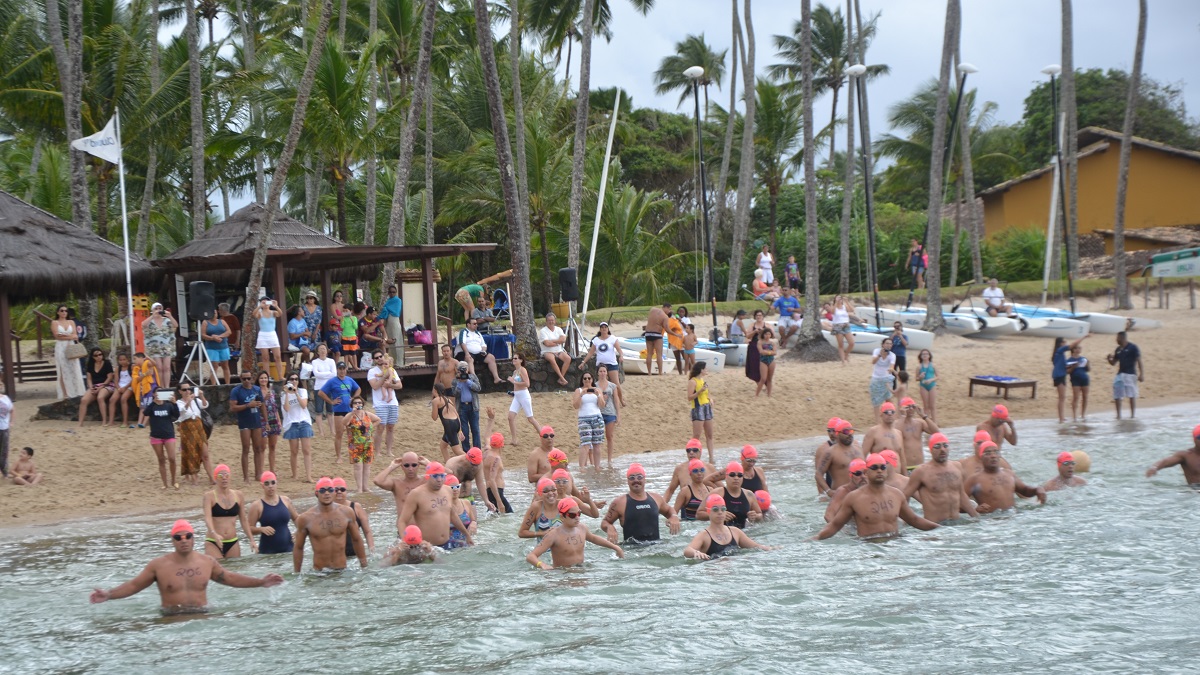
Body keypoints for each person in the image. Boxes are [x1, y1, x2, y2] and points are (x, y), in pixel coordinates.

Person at [89, 519, 283, 613]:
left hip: (203, 615)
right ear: (172, 540)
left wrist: (261, 582)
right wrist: (109, 594)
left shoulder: (207, 562)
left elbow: (230, 578)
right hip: (170, 619)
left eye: (187, 536)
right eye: (178, 537)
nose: (183, 540)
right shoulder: (158, 566)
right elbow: (133, 585)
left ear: (193, 538)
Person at [816, 453, 940, 539]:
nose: (879, 470)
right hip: (869, 547)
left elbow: (914, 520)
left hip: (896, 544)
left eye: (883, 467)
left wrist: (941, 530)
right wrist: (815, 539)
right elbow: (835, 525)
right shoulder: (853, 497)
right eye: (875, 467)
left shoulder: (896, 494)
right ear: (867, 472)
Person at [294, 477, 368, 572]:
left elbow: (357, 539)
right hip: (319, 573)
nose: (327, 493)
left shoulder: (346, 512)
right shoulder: (306, 518)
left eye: (330, 490)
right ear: (316, 493)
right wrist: (296, 573)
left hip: (342, 570)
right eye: (322, 490)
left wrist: (364, 565)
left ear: (334, 492)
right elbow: (299, 547)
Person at [527, 498, 625, 570]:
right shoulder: (554, 535)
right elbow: (531, 556)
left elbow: (594, 538)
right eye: (573, 515)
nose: (577, 517)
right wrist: (542, 565)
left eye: (579, 513)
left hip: (581, 570)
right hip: (562, 575)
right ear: (562, 517)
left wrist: (616, 547)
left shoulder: (582, 528)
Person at [904, 433, 978, 522]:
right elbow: (904, 497)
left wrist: (975, 517)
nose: (942, 449)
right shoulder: (921, 472)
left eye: (945, 445)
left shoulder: (957, 467)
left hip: (957, 525)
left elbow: (962, 495)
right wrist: (907, 519)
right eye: (937, 446)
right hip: (935, 527)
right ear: (931, 449)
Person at [601, 463, 681, 544]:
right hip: (632, 551)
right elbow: (605, 522)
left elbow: (669, 510)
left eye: (639, 477)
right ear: (628, 481)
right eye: (632, 478)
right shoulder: (619, 502)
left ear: (644, 479)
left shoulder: (656, 498)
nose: (636, 480)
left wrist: (674, 516)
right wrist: (609, 527)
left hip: (656, 547)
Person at [398, 462, 472, 547]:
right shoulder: (416, 494)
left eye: (442, 476)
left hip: (447, 543)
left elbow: (452, 515)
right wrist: (404, 541)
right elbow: (402, 521)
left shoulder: (448, 490)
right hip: (427, 547)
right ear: (427, 477)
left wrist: (467, 535)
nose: (439, 479)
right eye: (435, 476)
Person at [964, 442, 1047, 512]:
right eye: (988, 453)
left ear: (999, 456)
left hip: (1013, 519)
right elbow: (958, 502)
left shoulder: (1009, 474)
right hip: (991, 523)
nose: (993, 456)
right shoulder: (974, 480)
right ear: (981, 457)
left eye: (996, 452)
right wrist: (974, 509)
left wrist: (1037, 490)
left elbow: (1025, 491)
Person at [684, 494, 772, 559]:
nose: (720, 512)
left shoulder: (735, 532)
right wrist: (696, 552)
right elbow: (687, 550)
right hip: (713, 572)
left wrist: (772, 549)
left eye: (723, 509)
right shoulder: (704, 535)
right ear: (708, 511)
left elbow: (756, 547)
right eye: (715, 509)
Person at [203, 465, 256, 558]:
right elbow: (207, 518)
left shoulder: (238, 495)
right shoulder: (209, 496)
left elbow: (243, 519)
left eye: (226, 475)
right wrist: (214, 534)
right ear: (215, 478)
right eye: (220, 476)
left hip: (232, 542)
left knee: (235, 569)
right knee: (217, 570)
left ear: (230, 477)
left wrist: (252, 540)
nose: (224, 478)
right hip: (213, 541)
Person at [697, 461, 763, 529]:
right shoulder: (717, 493)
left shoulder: (749, 495)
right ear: (726, 476)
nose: (736, 478)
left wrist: (756, 516)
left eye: (740, 475)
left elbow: (760, 514)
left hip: (743, 534)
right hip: (721, 534)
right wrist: (718, 514)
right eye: (732, 475)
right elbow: (699, 514)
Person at [374, 452, 430, 532]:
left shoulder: (426, 482)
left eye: (414, 465)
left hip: (423, 532)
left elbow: (447, 477)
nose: (410, 469)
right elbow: (377, 481)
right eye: (406, 465)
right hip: (403, 532)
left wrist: (429, 465)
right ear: (402, 467)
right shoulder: (396, 483)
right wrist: (391, 467)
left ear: (419, 465)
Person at [246, 471, 298, 554]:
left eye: (273, 483)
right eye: (267, 483)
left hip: (289, 550)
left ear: (276, 483)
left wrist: (298, 533)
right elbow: (249, 528)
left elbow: (297, 519)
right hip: (267, 553)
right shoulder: (257, 505)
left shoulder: (286, 500)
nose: (270, 486)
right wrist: (261, 529)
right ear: (262, 485)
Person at [318, 361, 360, 463]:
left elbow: (358, 389)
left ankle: (353, 455)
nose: (342, 371)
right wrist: (331, 401)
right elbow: (321, 392)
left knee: (352, 433)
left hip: (349, 410)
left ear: (346, 369)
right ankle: (339, 457)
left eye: (343, 369)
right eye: (340, 369)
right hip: (339, 410)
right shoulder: (332, 381)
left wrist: (354, 398)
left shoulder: (349, 380)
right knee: (339, 434)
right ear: (337, 370)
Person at [229, 371, 265, 483]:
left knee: (258, 448)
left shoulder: (256, 389)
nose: (246, 381)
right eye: (244, 379)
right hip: (244, 421)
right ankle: (246, 477)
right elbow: (232, 407)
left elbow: (262, 405)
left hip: (256, 420)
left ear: (252, 378)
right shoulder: (236, 391)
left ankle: (258, 474)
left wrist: (266, 420)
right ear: (240, 379)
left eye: (248, 378)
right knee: (246, 449)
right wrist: (248, 405)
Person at [176, 382, 213, 486]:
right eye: (184, 390)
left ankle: (211, 478)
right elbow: (182, 412)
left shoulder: (195, 400)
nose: (188, 391)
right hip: (188, 429)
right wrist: (189, 401)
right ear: (180, 392)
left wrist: (201, 395)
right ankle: (194, 479)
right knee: (191, 454)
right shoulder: (179, 402)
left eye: (189, 389)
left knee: (205, 454)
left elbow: (205, 405)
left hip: (199, 428)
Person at [815, 419, 863, 497]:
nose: (849, 434)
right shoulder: (830, 452)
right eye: (846, 432)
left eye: (851, 431)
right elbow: (818, 474)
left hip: (860, 495)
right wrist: (828, 491)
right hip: (840, 496)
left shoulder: (859, 449)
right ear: (837, 434)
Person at [341, 395, 380, 492]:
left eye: (359, 403)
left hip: (368, 443)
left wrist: (370, 428)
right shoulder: (350, 415)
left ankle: (365, 487)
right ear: (352, 405)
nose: (358, 404)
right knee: (358, 466)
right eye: (355, 403)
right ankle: (359, 488)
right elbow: (344, 423)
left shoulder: (367, 414)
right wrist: (352, 413)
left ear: (362, 404)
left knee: (367, 466)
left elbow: (378, 420)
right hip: (355, 444)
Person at [280, 372, 314, 482]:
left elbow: (304, 405)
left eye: (296, 379)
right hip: (292, 423)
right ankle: (295, 475)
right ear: (288, 381)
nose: (294, 381)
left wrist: (296, 393)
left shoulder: (302, 391)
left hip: (304, 421)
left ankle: (308, 476)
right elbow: (286, 408)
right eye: (292, 379)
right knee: (294, 451)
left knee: (306, 450)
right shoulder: (284, 394)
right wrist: (287, 394)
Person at [367, 352, 402, 457]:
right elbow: (375, 386)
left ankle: (388, 451)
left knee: (391, 427)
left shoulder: (392, 369)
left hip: (393, 402)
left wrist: (390, 384)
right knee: (380, 427)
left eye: (380, 356)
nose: (379, 359)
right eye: (376, 357)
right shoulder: (372, 371)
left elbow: (399, 385)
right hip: (380, 403)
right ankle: (377, 452)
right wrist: (385, 376)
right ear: (374, 360)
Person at [144, 390, 180, 489]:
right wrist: (153, 402)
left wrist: (175, 403)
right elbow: (145, 413)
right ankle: (165, 483)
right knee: (161, 459)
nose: (159, 394)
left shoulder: (168, 405)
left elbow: (176, 415)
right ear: (154, 394)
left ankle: (173, 480)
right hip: (156, 436)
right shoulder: (153, 405)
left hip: (169, 434)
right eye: (157, 392)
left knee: (172, 458)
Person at [332, 476, 374, 557]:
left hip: (356, 554)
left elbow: (367, 531)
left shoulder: (356, 507)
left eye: (342, 489)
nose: (339, 492)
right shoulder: (327, 510)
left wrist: (371, 551)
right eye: (336, 489)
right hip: (337, 556)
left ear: (346, 492)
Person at [51, 304, 86, 400]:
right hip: (60, 347)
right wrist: (68, 335)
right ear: (58, 312)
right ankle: (65, 393)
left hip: (70, 345)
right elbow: (56, 336)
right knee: (62, 369)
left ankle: (76, 391)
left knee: (74, 367)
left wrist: (64, 335)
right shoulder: (55, 322)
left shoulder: (71, 322)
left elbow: (75, 335)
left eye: (65, 311)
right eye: (62, 310)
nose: (64, 312)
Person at [445, 446, 496, 513]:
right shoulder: (453, 464)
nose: (474, 466)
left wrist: (486, 501)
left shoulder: (478, 464)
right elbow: (446, 486)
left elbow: (480, 483)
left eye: (476, 465)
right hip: (455, 499)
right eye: (473, 464)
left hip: (469, 498)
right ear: (467, 458)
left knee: (474, 522)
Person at [1107, 331, 1144, 420]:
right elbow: (1114, 363)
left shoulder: (1133, 347)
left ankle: (1132, 415)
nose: (1116, 340)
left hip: (1130, 374)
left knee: (1131, 394)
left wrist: (1141, 374)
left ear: (1123, 338)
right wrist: (1109, 359)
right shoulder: (1118, 349)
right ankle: (1118, 415)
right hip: (1120, 374)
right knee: (1117, 394)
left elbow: (1139, 360)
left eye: (1118, 338)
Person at [573, 372, 607, 469]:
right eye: (585, 378)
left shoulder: (598, 390)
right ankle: (582, 468)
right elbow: (575, 406)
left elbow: (602, 405)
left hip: (597, 418)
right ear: (582, 380)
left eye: (589, 378)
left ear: (592, 379)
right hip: (584, 419)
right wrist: (581, 395)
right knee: (585, 444)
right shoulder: (578, 390)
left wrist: (599, 395)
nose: (587, 380)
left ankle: (597, 467)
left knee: (597, 444)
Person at [506, 352, 541, 444]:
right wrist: (513, 392)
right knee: (510, 417)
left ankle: (543, 435)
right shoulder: (515, 371)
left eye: (516, 358)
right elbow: (516, 385)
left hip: (524, 396)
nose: (513, 360)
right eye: (513, 358)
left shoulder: (523, 370)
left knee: (530, 418)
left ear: (521, 360)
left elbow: (527, 384)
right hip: (517, 396)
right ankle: (514, 439)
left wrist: (514, 382)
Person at [1052, 335, 1088, 423]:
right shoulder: (1060, 350)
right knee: (1062, 397)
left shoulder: (1060, 354)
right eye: (1064, 342)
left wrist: (1072, 366)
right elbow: (1073, 345)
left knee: (1062, 397)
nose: (1066, 343)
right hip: (1059, 376)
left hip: (1061, 375)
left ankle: (1062, 417)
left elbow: (1063, 366)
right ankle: (1061, 418)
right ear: (1060, 344)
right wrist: (1084, 337)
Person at [897, 397, 939, 473]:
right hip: (906, 467)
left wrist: (924, 416)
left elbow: (936, 432)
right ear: (902, 409)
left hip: (920, 466)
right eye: (908, 407)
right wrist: (903, 416)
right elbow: (896, 435)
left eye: (913, 406)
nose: (911, 409)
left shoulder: (919, 423)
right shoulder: (897, 423)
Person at [480, 412, 512, 513]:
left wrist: (491, 420)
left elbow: (486, 437)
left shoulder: (487, 451)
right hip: (496, 492)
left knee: (493, 517)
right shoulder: (496, 459)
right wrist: (499, 501)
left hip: (490, 491)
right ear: (502, 445)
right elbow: (492, 480)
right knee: (509, 516)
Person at [141, 302, 177, 387]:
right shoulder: (150, 321)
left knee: (167, 367)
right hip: (154, 347)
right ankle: (161, 386)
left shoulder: (167, 320)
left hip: (166, 347)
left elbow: (175, 325)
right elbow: (143, 324)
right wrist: (153, 315)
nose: (158, 310)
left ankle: (167, 386)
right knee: (159, 367)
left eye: (160, 308)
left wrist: (170, 316)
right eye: (156, 309)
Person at [594, 364, 624, 467]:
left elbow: (616, 400)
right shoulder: (595, 385)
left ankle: (609, 460)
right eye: (601, 371)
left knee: (609, 436)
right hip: (598, 413)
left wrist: (618, 415)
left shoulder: (612, 386)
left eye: (604, 371)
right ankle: (598, 460)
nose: (602, 373)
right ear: (598, 373)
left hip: (610, 413)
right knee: (598, 437)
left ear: (607, 373)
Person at [687, 361, 716, 464]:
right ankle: (694, 458)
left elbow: (707, 395)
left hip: (707, 408)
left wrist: (711, 399)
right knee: (697, 436)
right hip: (698, 408)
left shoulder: (703, 380)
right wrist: (699, 392)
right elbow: (689, 397)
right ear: (701, 370)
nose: (707, 370)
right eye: (705, 368)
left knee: (709, 435)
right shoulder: (693, 381)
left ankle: (711, 458)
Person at [458, 317, 501, 384]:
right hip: (466, 352)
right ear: (468, 324)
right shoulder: (463, 332)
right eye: (474, 324)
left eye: (476, 324)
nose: (476, 325)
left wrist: (483, 351)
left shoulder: (478, 333)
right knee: (469, 359)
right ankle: (474, 378)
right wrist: (466, 353)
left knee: (491, 357)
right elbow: (462, 343)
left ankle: (496, 378)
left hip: (479, 353)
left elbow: (483, 344)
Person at [77, 348, 115, 426]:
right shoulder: (91, 365)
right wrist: (91, 387)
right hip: (95, 385)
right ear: (92, 357)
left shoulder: (107, 363)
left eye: (100, 354)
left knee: (100, 397)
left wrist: (102, 386)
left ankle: (104, 420)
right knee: (84, 400)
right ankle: (80, 422)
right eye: (96, 355)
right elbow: (89, 378)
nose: (98, 357)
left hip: (106, 384)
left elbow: (110, 377)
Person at [256, 370, 282, 476]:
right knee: (262, 447)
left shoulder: (271, 391)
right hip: (261, 419)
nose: (263, 380)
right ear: (258, 380)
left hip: (273, 419)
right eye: (261, 378)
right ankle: (261, 471)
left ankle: (272, 470)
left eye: (265, 378)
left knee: (273, 446)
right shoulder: (256, 391)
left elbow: (275, 407)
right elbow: (257, 405)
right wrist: (263, 399)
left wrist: (279, 420)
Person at [453, 361, 483, 450]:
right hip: (462, 407)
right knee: (465, 431)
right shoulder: (455, 381)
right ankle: (466, 451)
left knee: (475, 429)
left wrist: (468, 381)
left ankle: (477, 450)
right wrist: (460, 383)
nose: (463, 372)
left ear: (468, 369)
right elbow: (455, 394)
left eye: (464, 369)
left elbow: (478, 388)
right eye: (460, 369)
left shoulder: (473, 377)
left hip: (473, 406)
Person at [432, 384, 463, 461]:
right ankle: (448, 465)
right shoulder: (448, 399)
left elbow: (434, 417)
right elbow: (457, 414)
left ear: (435, 390)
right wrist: (460, 430)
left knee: (457, 450)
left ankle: (473, 462)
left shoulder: (435, 401)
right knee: (443, 446)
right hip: (456, 422)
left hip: (449, 425)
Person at [200, 311, 233, 384]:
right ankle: (214, 385)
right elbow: (203, 335)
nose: (214, 314)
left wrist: (219, 336)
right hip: (211, 348)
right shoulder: (205, 322)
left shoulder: (222, 321)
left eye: (215, 313)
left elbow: (229, 332)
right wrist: (212, 338)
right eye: (212, 313)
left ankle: (227, 384)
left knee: (225, 365)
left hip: (223, 346)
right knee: (214, 366)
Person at [539, 313, 571, 386]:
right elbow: (547, 343)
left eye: (552, 320)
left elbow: (563, 339)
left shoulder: (558, 329)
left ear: (555, 321)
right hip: (547, 351)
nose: (551, 322)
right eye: (549, 320)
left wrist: (553, 341)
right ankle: (562, 378)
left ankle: (561, 378)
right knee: (551, 359)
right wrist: (557, 342)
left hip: (559, 350)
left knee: (568, 358)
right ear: (546, 321)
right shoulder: (543, 331)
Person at [869, 337, 897, 417]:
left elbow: (892, 366)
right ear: (883, 344)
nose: (889, 345)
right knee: (876, 401)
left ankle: (891, 416)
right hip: (876, 378)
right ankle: (878, 421)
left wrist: (891, 369)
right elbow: (873, 362)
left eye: (890, 344)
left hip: (886, 378)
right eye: (887, 343)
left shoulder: (892, 355)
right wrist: (879, 355)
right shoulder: (877, 351)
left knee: (888, 399)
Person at [130, 352, 158, 429]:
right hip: (143, 389)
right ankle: (139, 423)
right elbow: (137, 379)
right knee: (142, 407)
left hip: (151, 387)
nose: (134, 361)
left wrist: (148, 358)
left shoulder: (147, 363)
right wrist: (145, 374)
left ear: (141, 358)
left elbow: (154, 364)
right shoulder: (137, 368)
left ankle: (144, 423)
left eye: (135, 359)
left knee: (148, 405)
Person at [377, 285, 404, 364]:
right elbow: (384, 311)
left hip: (394, 321)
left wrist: (386, 309)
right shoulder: (388, 301)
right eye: (390, 292)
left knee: (396, 340)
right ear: (388, 293)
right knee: (390, 341)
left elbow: (396, 311)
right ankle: (392, 361)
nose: (392, 293)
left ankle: (399, 362)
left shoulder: (398, 300)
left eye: (393, 292)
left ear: (396, 293)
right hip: (388, 322)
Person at [1066, 342, 1091, 422]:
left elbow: (1088, 370)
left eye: (1079, 348)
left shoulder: (1083, 359)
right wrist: (1073, 367)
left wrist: (1088, 364)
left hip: (1084, 378)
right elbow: (1067, 371)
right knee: (1076, 397)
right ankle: (1074, 415)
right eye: (1076, 348)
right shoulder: (1069, 360)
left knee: (1085, 397)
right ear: (1073, 350)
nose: (1078, 349)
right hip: (1075, 379)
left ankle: (1083, 414)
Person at [830, 295, 856, 365]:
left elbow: (852, 310)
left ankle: (846, 354)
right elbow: (832, 312)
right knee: (841, 344)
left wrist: (847, 301)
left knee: (852, 343)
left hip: (846, 325)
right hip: (838, 326)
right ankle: (843, 361)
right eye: (838, 298)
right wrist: (836, 302)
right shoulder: (834, 306)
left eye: (840, 298)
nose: (839, 300)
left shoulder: (844, 306)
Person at [301, 291, 324, 361]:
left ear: (314, 299)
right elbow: (301, 320)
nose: (309, 300)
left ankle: (311, 362)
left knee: (316, 349)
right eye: (308, 298)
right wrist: (306, 332)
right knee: (306, 349)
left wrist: (315, 332)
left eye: (311, 298)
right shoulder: (303, 308)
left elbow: (319, 321)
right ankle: (302, 363)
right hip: (306, 330)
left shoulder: (318, 308)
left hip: (315, 330)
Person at [916, 349, 937, 423]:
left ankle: (934, 423)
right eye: (923, 354)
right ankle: (927, 423)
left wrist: (931, 380)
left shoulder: (933, 365)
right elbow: (916, 378)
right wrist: (920, 377)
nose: (925, 355)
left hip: (932, 385)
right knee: (926, 406)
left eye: (926, 354)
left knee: (932, 405)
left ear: (929, 355)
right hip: (923, 386)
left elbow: (937, 377)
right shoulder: (919, 367)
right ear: (921, 356)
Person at [756, 327, 777, 397]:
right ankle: (757, 394)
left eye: (769, 334)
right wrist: (770, 352)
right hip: (763, 361)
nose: (767, 336)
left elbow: (775, 352)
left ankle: (769, 394)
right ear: (763, 335)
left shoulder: (772, 343)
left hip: (771, 360)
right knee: (763, 378)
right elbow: (761, 351)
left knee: (770, 379)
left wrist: (767, 352)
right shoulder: (760, 342)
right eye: (766, 334)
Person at [667, 309, 686, 375]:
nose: (681, 313)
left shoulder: (684, 319)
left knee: (685, 357)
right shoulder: (671, 320)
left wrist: (681, 321)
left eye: (682, 312)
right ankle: (680, 373)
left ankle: (689, 371)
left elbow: (687, 328)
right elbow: (668, 331)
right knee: (677, 358)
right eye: (679, 312)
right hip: (673, 340)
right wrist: (669, 343)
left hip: (681, 339)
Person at [326, 289, 345, 357]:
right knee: (336, 342)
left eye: (340, 296)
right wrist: (344, 316)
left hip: (344, 326)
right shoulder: (333, 306)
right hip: (336, 326)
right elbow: (336, 316)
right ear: (334, 298)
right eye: (337, 296)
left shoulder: (344, 306)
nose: (339, 297)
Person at [0, 382, 10, 478]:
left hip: (4, 428)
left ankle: (4, 471)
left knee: (4, 450)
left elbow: (12, 409)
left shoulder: (6, 398)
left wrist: (11, 422)